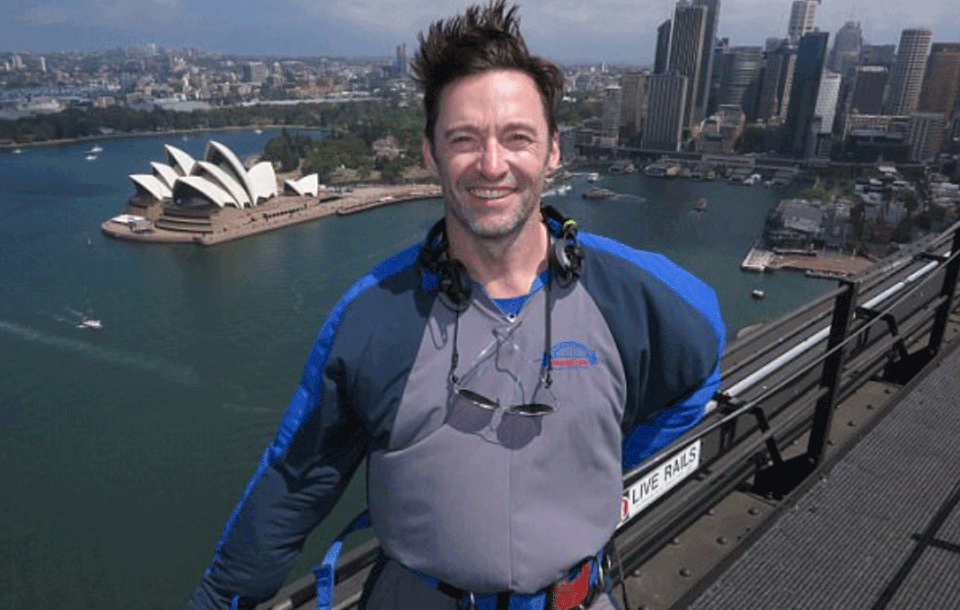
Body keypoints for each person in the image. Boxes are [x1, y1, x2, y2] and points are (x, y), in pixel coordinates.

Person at [185, 2, 725, 609]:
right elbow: (295, 481)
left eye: (517, 138)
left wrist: (598, 464)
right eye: (463, 139)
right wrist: (220, 599)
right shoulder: (377, 314)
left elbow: (700, 372)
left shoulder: (635, 293)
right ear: (430, 154)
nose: (492, 164)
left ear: (552, 152)